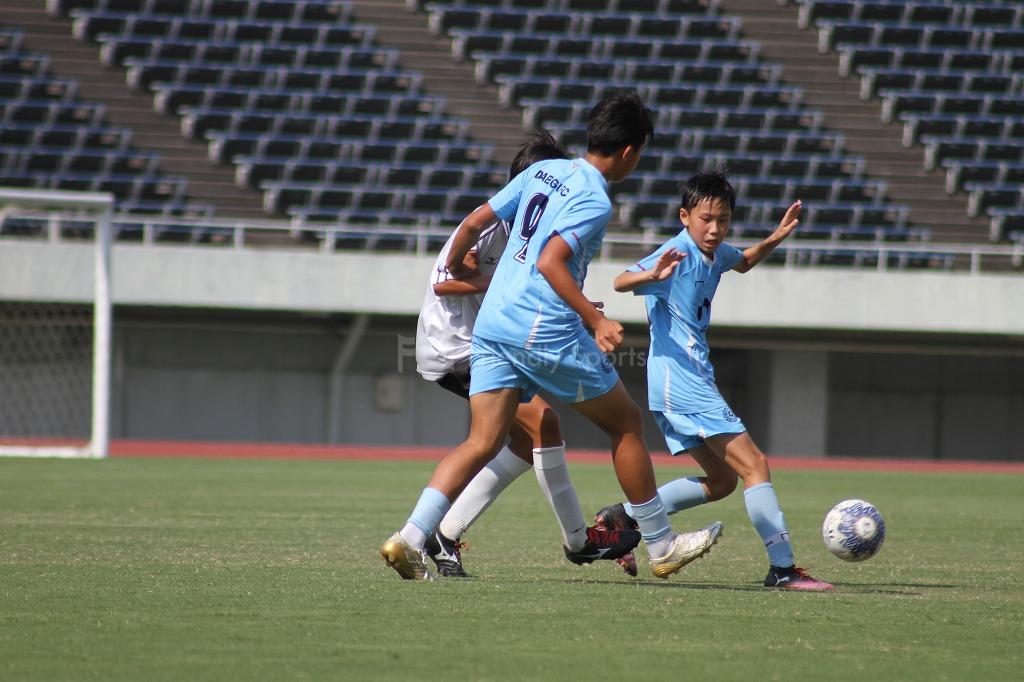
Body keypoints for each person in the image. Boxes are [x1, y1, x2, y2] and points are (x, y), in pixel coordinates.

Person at [381, 90, 723, 581]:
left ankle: (410, 536)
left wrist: (456, 263)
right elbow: (550, 261)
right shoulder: (595, 198)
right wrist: (595, 319)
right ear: (630, 151)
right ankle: (661, 543)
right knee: (625, 422)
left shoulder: (543, 172)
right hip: (542, 329)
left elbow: (476, 220)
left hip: (493, 326)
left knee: (482, 439)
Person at [414, 131, 640, 577]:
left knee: (522, 440)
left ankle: (445, 532)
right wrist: (496, 281)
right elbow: (443, 282)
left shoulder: (528, 231)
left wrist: (579, 307)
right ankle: (579, 539)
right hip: (456, 345)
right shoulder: (495, 225)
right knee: (539, 425)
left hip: (487, 340)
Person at [596, 169, 834, 591]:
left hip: (679, 383)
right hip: (683, 382)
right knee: (754, 464)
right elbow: (620, 281)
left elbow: (743, 261)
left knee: (722, 481)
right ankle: (782, 568)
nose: (714, 229)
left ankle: (624, 518)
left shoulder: (717, 253)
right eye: (706, 219)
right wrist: (651, 276)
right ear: (684, 216)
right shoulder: (677, 252)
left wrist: (776, 237)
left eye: (723, 220)